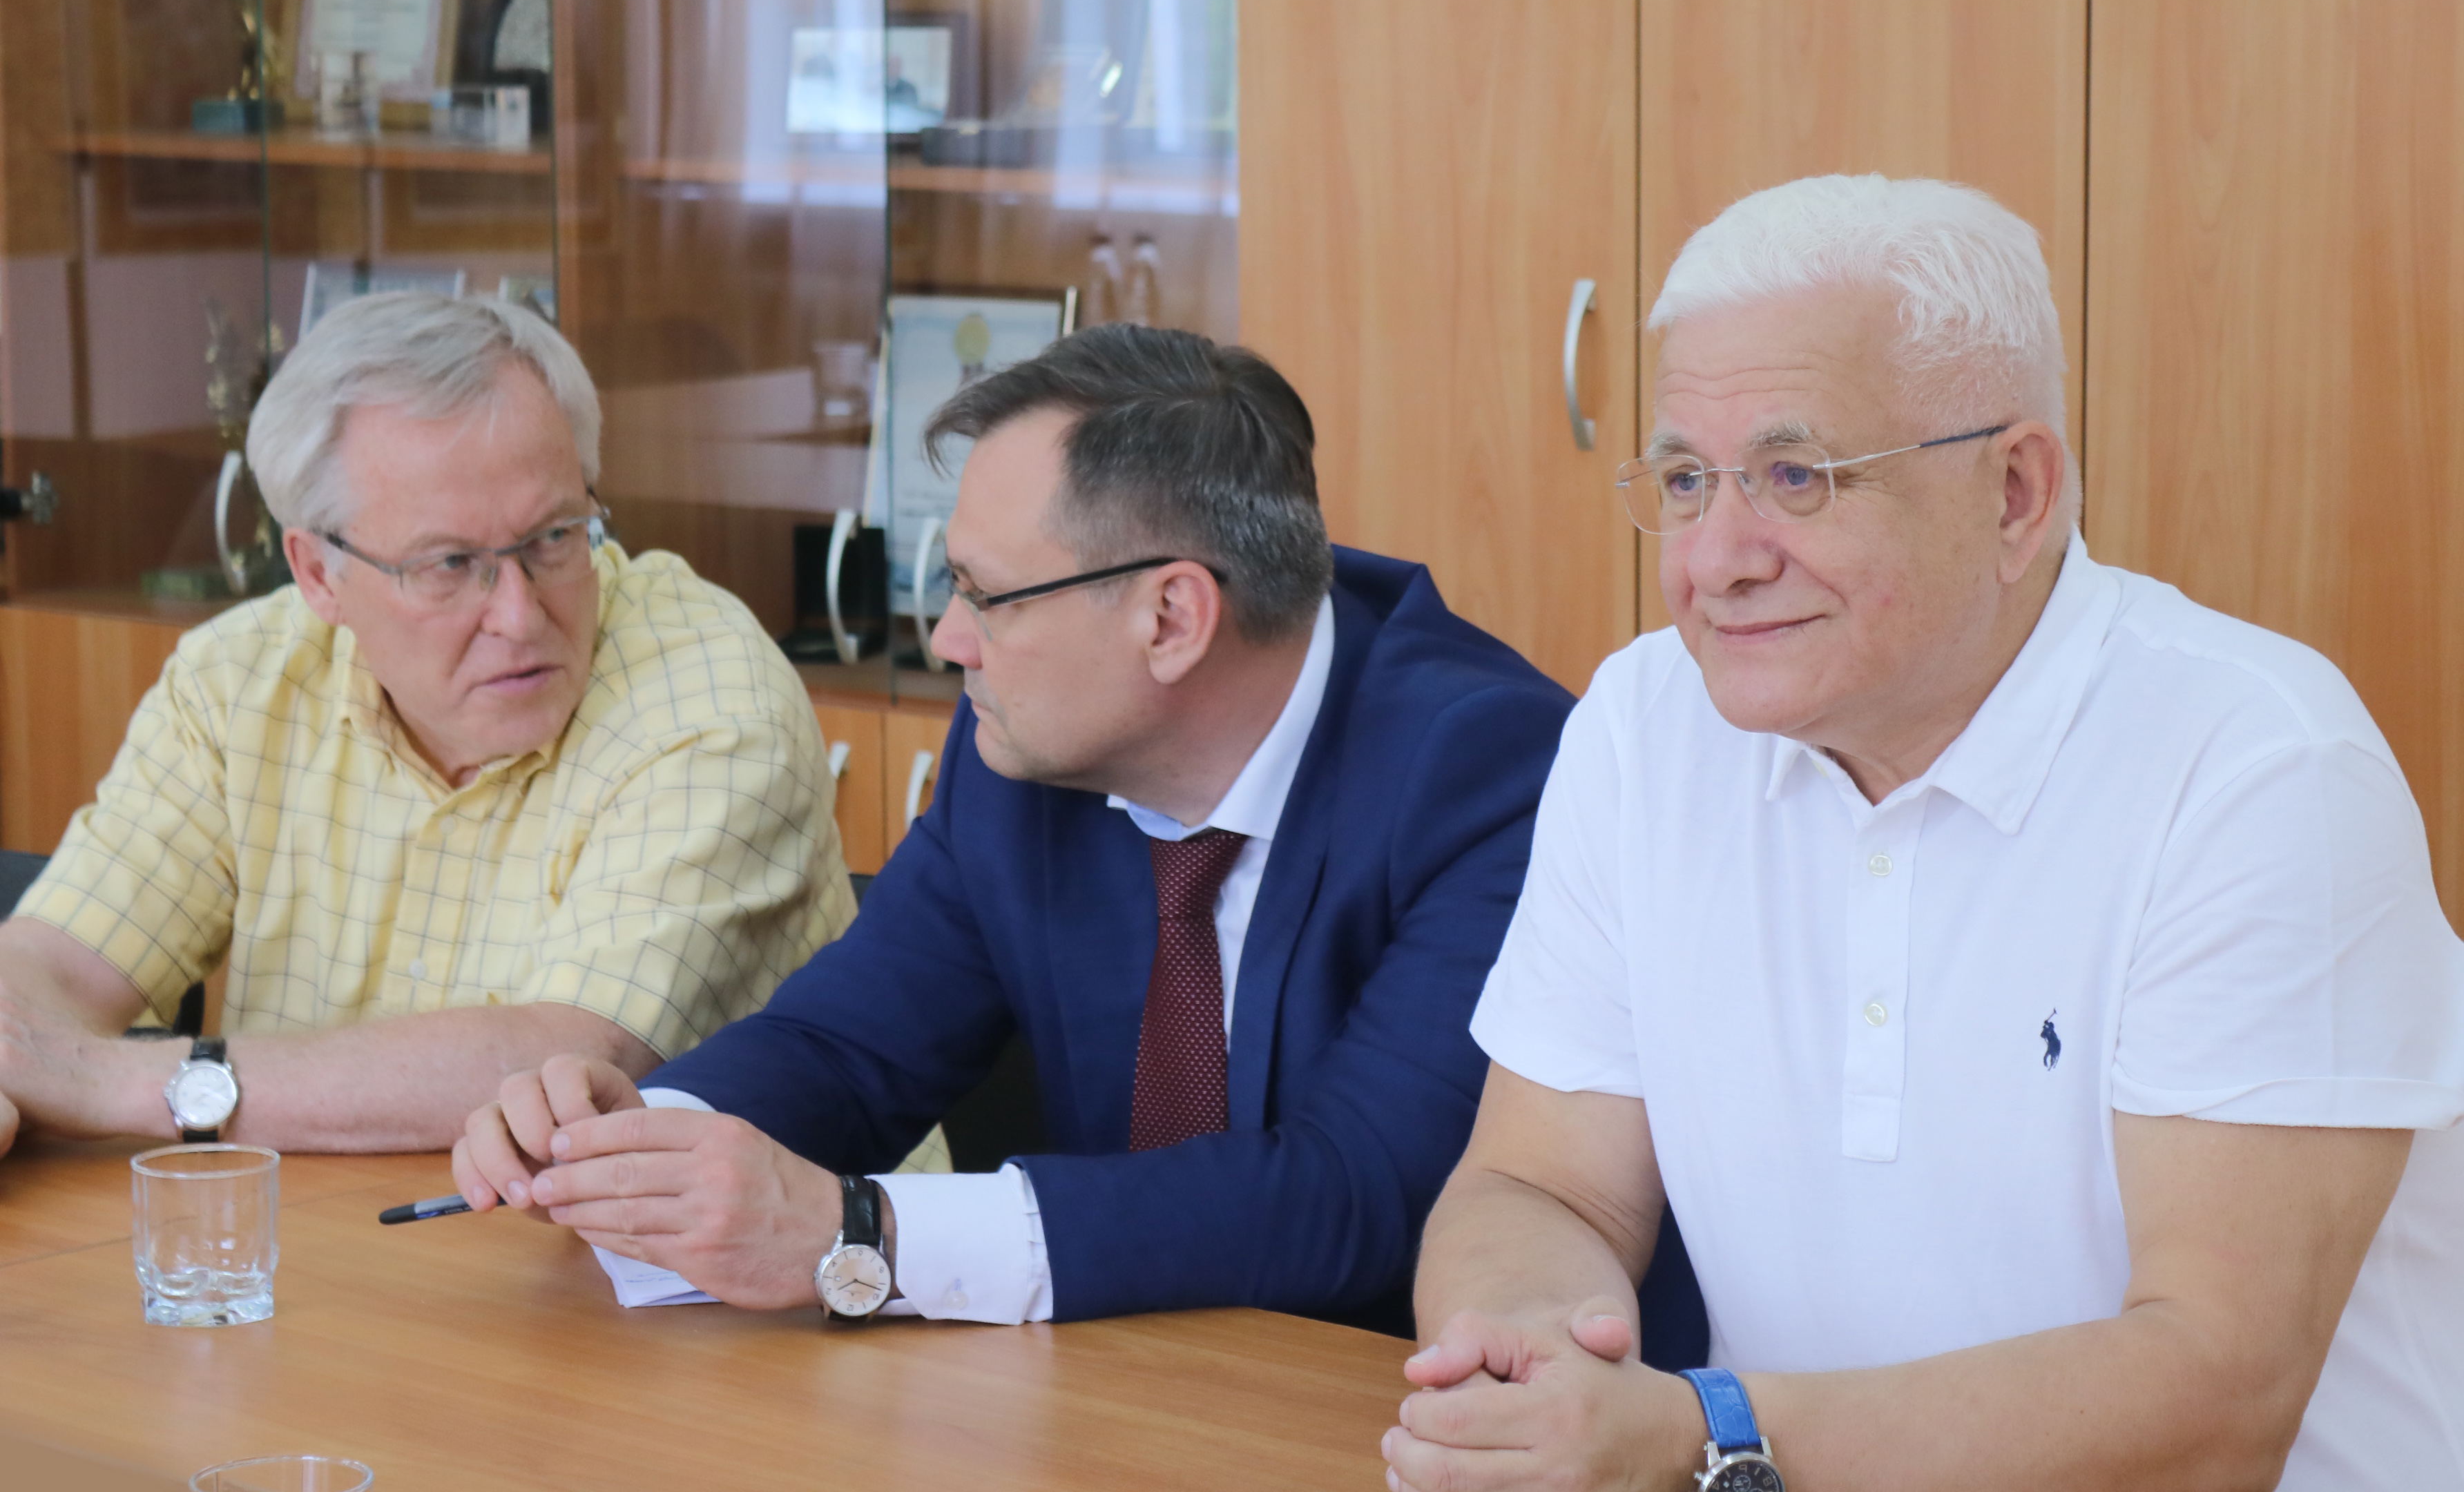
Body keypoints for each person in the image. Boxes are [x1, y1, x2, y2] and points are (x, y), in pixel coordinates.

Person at [1389, 174, 2464, 1491]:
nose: (1713, 559)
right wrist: (1532, 1367)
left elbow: (2216, 1393)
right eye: (1684, 479)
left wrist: (1702, 1430)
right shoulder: (1643, 722)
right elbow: (1538, 1184)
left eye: (1793, 476)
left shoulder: (2256, 765)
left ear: (2013, 492)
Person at [452, 324, 1693, 1338]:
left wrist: (866, 1235)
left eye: (985, 596)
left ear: (1171, 618)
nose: (949, 640)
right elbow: (847, 1048)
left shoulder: (1491, 774)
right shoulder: (1023, 747)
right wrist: (634, 1139)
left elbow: (1356, 1192)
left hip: (1380, 1411)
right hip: (1099, 1394)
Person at [0, 293, 854, 1160]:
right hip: (313, 1228)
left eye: (554, 538)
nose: (519, 615)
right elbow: (55, 967)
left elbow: (566, 1066)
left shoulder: (710, 699)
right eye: (450, 563)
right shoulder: (239, 682)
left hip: (681, 1244)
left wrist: (114, 1082)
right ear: (317, 574)